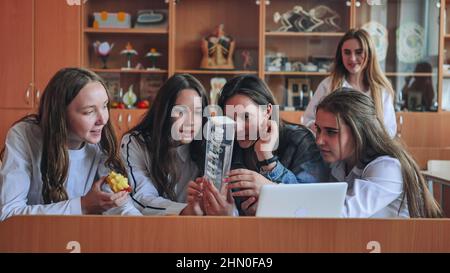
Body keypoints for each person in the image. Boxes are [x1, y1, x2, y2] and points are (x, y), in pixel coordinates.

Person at [0, 68, 139, 221]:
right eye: (89, 111)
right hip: (34, 240)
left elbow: (121, 207)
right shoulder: (25, 136)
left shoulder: (99, 141)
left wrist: (140, 228)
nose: (103, 119)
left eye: (105, 106)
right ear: (60, 115)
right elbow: (9, 214)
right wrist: (83, 205)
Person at [188, 74, 329, 216]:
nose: (238, 128)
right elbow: (225, 213)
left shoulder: (300, 140)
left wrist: (268, 160)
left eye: (246, 117)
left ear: (267, 111)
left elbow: (312, 205)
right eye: (230, 118)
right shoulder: (225, 145)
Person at [314, 88, 442, 218]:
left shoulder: (388, 168)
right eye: (318, 130)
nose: (319, 140)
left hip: (399, 238)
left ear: (360, 132)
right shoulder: (339, 162)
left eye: (331, 132)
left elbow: (340, 214)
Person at [121, 74, 209, 215]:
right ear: (165, 111)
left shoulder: (206, 145)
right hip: (151, 229)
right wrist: (184, 210)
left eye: (197, 112)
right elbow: (141, 197)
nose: (191, 121)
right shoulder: (136, 142)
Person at [303, 28, 397, 138]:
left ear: (370, 54)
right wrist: (326, 130)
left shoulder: (381, 90)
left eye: (358, 52)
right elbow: (308, 120)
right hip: (334, 152)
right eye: (347, 52)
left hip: (371, 153)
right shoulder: (328, 85)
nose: (352, 58)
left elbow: (389, 130)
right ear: (340, 55)